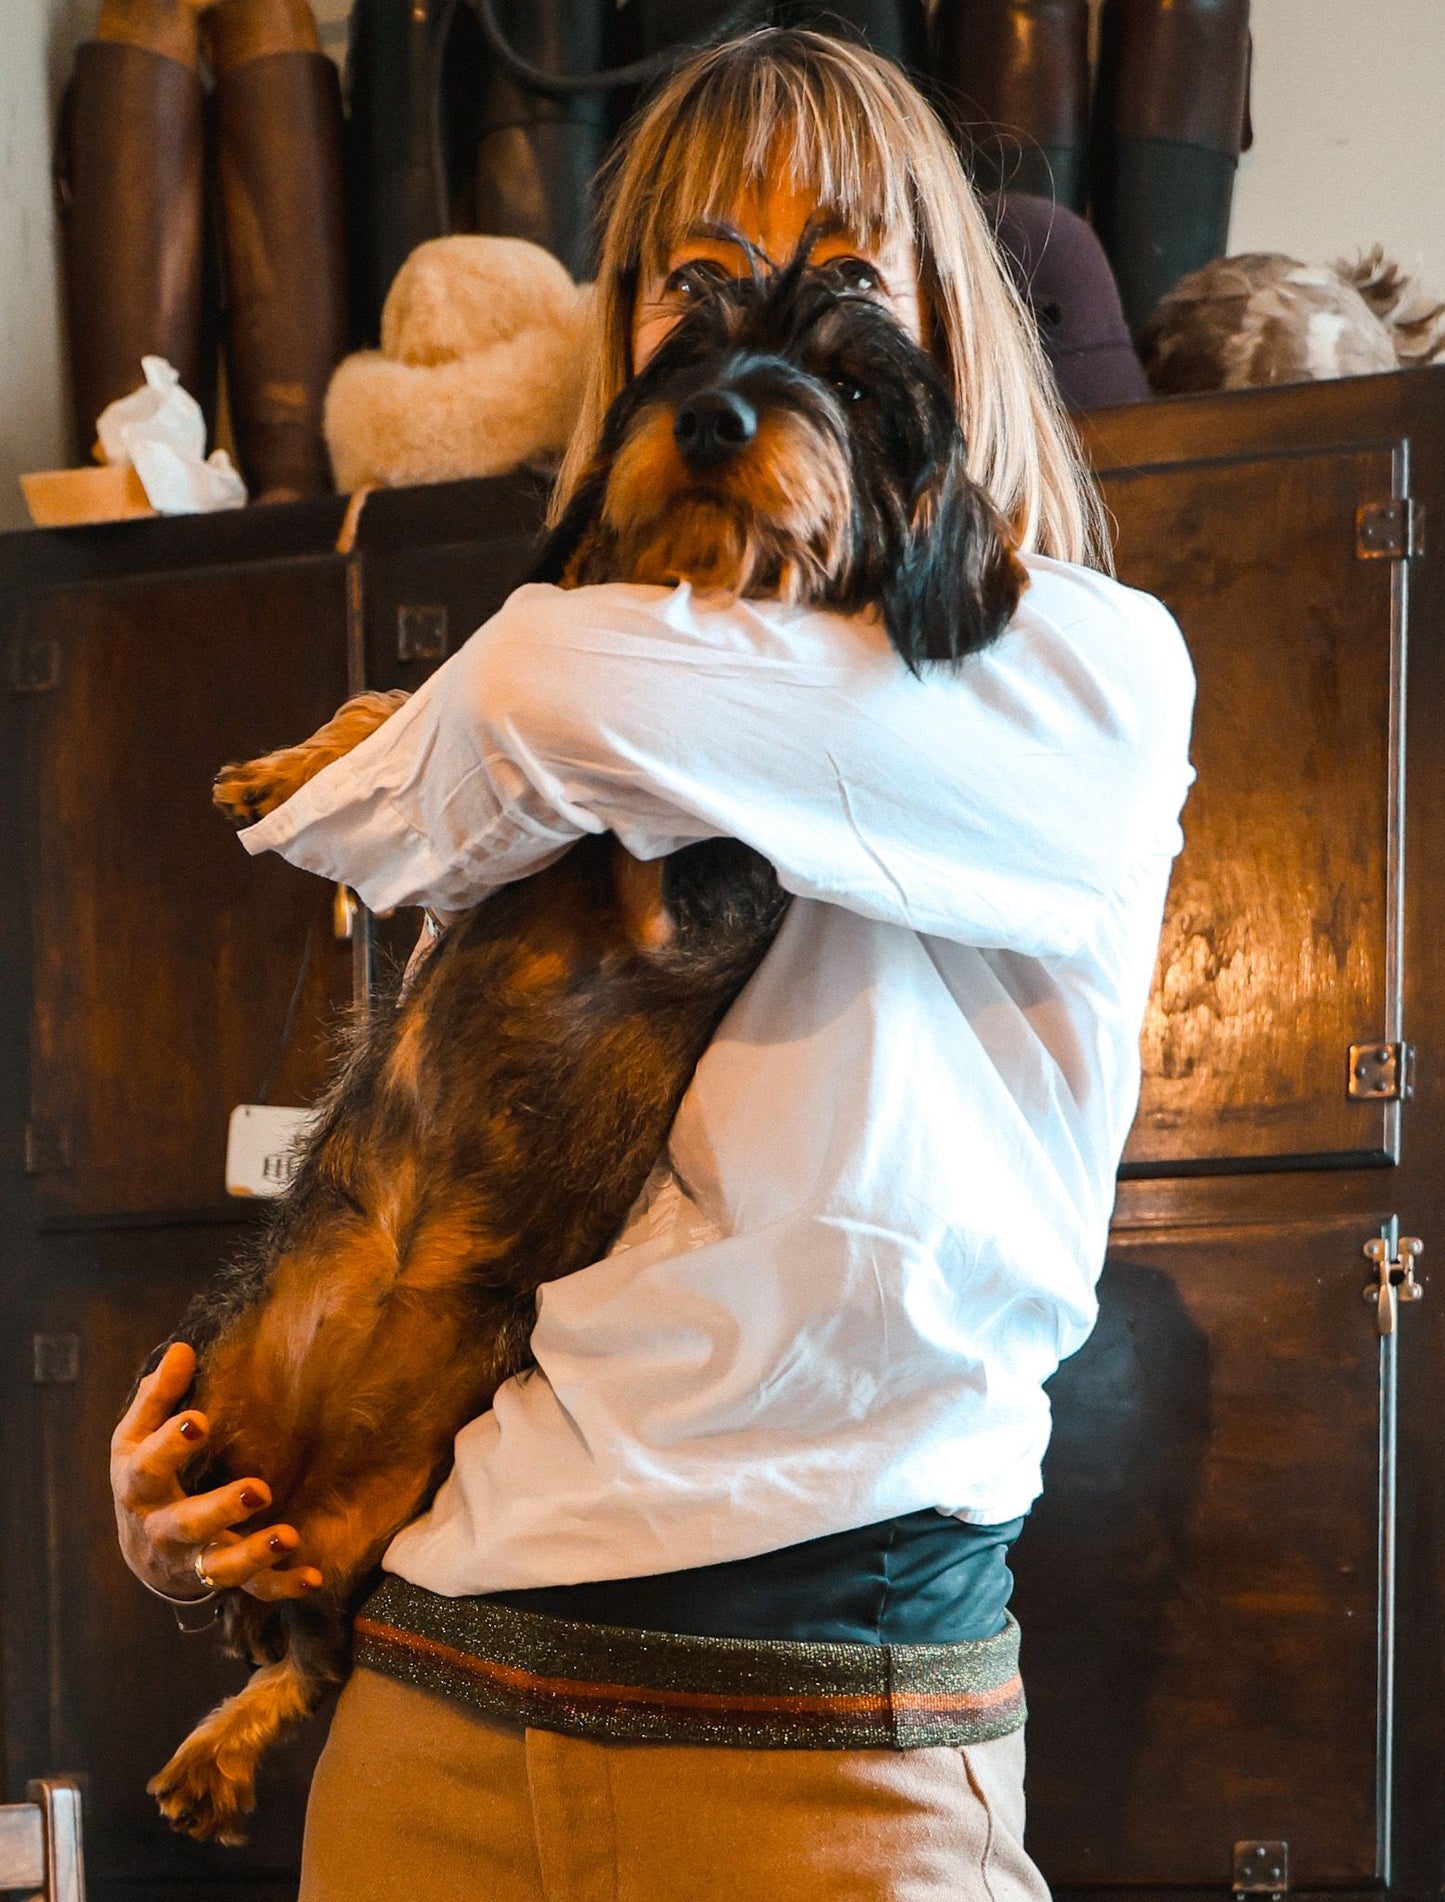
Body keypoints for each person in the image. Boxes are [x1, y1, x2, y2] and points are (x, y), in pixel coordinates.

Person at [111, 27, 1195, 1900]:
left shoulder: (1083, 673)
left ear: (948, 314)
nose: (756, 325)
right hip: (431, 1715)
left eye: (842, 272)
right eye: (694, 280)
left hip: (824, 1759)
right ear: (629, 342)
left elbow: (521, 688)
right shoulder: (602, 723)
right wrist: (204, 1503)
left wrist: (505, 676)